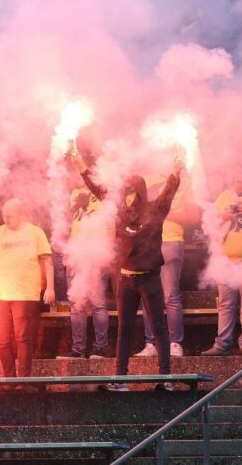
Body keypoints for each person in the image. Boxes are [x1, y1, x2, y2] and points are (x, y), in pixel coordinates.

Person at [72, 151, 182, 392]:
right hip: (125, 279)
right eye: (126, 192)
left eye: (132, 192)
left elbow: (168, 192)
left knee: (159, 328)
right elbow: (98, 190)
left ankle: (165, 378)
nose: (127, 197)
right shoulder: (119, 210)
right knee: (124, 329)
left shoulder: (155, 210)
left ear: (140, 193)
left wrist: (176, 172)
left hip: (149, 278)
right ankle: (121, 379)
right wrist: (80, 166)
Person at [0, 199, 54, 390]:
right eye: (4, 215)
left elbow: (47, 261)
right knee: (1, 339)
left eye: (10, 215)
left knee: (23, 338)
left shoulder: (35, 232)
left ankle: (23, 380)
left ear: (21, 214)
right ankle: (9, 380)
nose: (6, 219)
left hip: (26, 294)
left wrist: (50, 288)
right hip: (0, 294)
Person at [135, 172, 200, 358]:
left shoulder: (185, 182)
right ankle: (151, 344)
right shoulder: (147, 179)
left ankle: (174, 343)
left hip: (171, 241)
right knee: (146, 296)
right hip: (147, 242)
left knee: (170, 295)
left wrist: (163, 210)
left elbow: (193, 216)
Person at [56, 182, 110, 359]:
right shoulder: (74, 192)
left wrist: (107, 252)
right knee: (76, 305)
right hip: (76, 254)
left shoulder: (103, 190)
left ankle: (100, 347)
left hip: (96, 252)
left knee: (98, 303)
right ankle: (78, 349)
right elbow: (70, 223)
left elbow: (111, 223)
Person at [202, 172, 242, 356]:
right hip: (225, 260)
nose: (241, 185)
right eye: (238, 180)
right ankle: (222, 344)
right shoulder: (224, 197)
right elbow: (209, 223)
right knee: (226, 304)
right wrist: (226, 215)